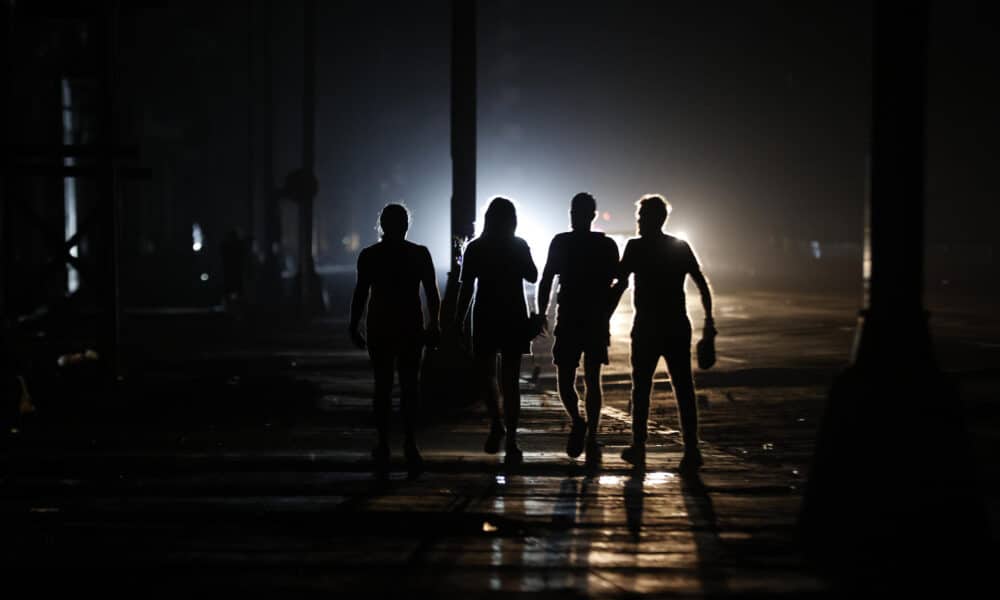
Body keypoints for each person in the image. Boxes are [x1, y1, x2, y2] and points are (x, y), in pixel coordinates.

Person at [609, 194, 715, 471]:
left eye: (642, 217)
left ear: (655, 219)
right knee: (683, 387)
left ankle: (638, 446)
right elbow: (702, 283)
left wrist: (601, 316)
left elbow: (618, 282)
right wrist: (709, 322)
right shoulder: (679, 247)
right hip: (677, 324)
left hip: (647, 326)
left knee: (641, 386)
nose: (639, 222)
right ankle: (692, 449)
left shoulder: (635, 248)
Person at [349, 204, 441, 472]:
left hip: (380, 325)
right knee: (410, 387)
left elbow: (360, 294)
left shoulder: (369, 256)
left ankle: (383, 443)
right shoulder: (419, 254)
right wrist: (434, 324)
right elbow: (432, 294)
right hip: (411, 326)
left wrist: (354, 325)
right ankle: (410, 443)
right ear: (406, 225)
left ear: (382, 225)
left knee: (383, 386)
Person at [536, 193, 620, 464]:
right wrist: (607, 310)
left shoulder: (562, 242)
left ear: (587, 215)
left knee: (567, 377)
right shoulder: (605, 245)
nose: (575, 216)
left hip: (572, 316)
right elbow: (618, 282)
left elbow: (547, 279)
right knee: (590, 379)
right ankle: (589, 431)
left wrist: (542, 312)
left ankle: (581, 423)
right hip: (592, 318)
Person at [454, 197, 538, 465]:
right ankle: (511, 439)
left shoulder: (476, 247)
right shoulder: (519, 245)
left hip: (486, 316)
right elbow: (533, 275)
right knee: (510, 381)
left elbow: (466, 287)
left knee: (485, 374)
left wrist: (458, 320)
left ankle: (496, 422)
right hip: (514, 315)